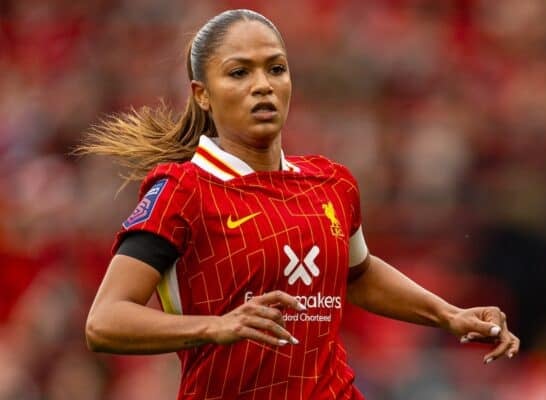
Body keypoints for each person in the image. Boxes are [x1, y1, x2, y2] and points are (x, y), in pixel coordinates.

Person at [81, 9, 519, 400]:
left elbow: (358, 273)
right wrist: (216, 326)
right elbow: (104, 322)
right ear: (202, 94)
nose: (263, 86)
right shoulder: (184, 188)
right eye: (239, 73)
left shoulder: (330, 182)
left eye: (276, 69)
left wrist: (450, 315)